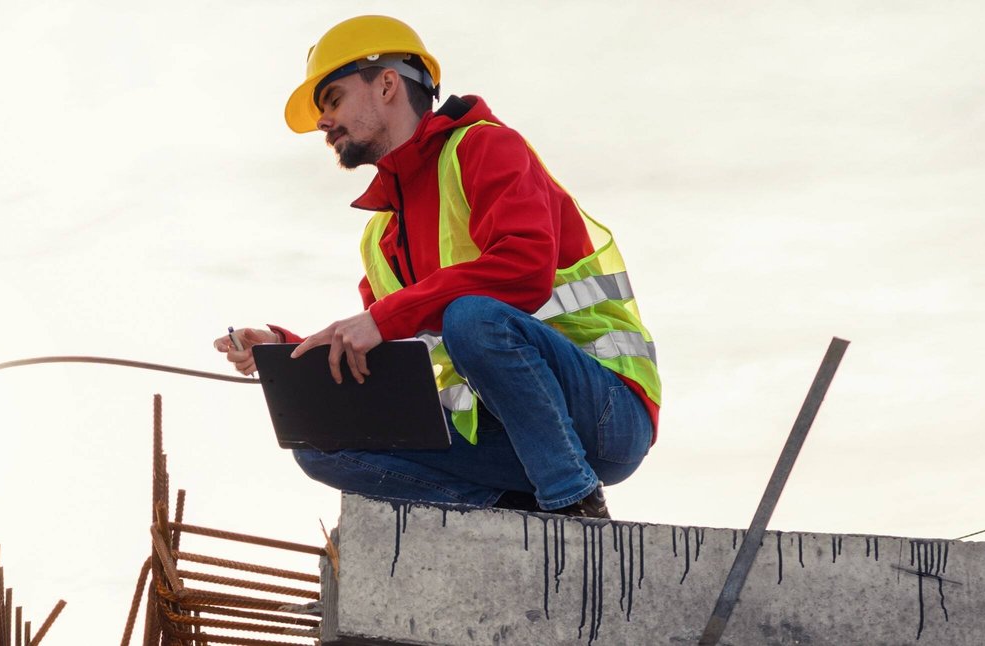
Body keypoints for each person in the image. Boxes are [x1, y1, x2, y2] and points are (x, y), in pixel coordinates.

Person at [214, 16, 662, 518]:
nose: (323, 122)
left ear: (386, 83)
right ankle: (512, 509)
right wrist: (289, 354)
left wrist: (382, 320)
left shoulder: (484, 146)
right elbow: (388, 361)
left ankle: (573, 503)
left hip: (604, 413)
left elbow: (525, 267)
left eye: (334, 99)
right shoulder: (381, 237)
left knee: (473, 317)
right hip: (507, 440)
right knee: (322, 443)